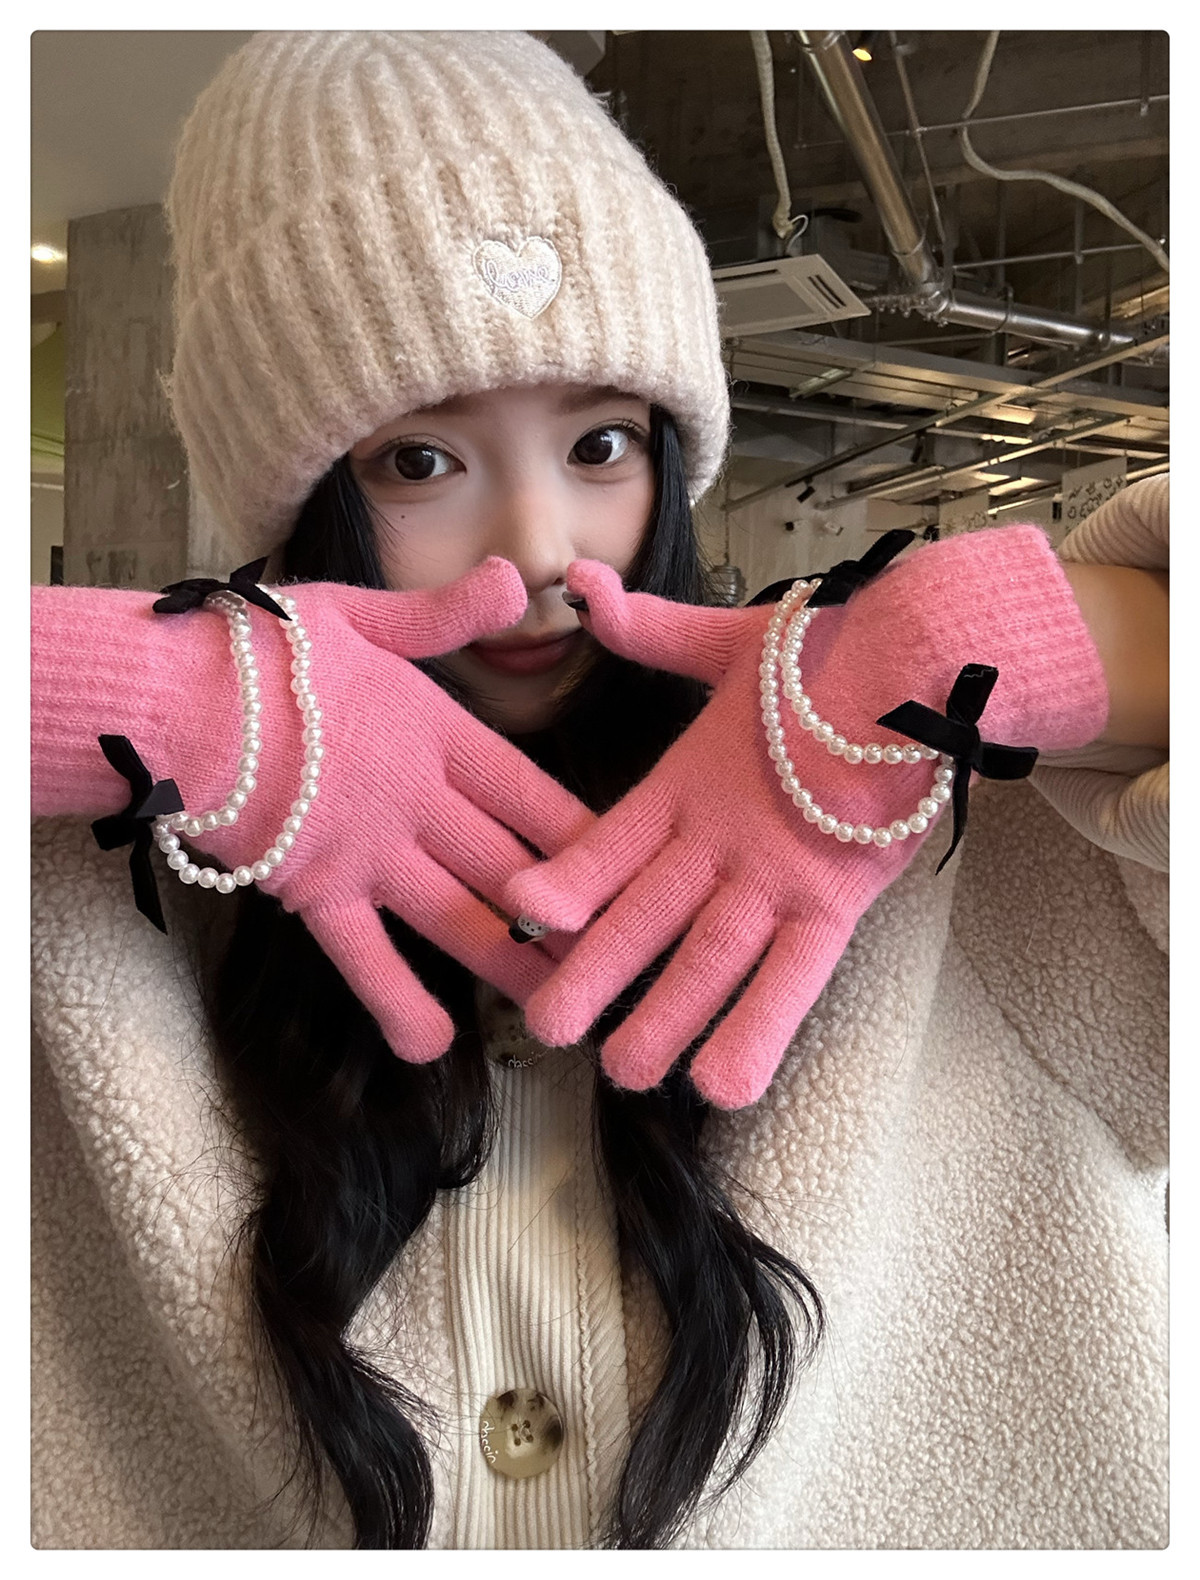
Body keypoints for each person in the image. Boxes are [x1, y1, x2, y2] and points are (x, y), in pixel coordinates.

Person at [31, 31, 1168, 1550]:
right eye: (418, 461)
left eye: (602, 443)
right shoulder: (101, 890)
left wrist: (992, 644)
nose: (541, 549)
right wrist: (139, 699)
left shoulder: (948, 828)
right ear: (297, 500)